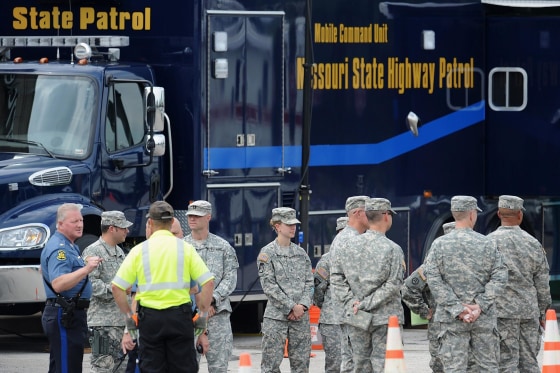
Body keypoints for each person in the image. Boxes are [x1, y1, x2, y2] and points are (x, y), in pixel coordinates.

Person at [112, 201, 215, 373]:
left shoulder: (139, 251)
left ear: (150, 223)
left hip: (150, 320)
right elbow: (208, 283)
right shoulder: (186, 249)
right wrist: (202, 316)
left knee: (152, 368)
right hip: (180, 318)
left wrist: (129, 318)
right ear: (172, 221)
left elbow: (117, 287)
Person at [425, 195, 508, 373]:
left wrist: (457, 308)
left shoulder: (439, 244)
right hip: (483, 319)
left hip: (451, 320)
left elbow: (433, 280)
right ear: (472, 214)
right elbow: (500, 277)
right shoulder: (487, 243)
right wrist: (480, 305)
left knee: (454, 368)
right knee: (487, 368)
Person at [331, 197, 405, 372]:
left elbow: (336, 277)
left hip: (357, 317)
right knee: (384, 365)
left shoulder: (346, 245)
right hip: (384, 318)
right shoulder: (393, 249)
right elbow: (393, 284)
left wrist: (353, 303)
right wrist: (366, 303)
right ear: (386, 216)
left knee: (360, 365)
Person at [487, 195, 551, 372]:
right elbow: (542, 283)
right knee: (529, 362)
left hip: (500, 311)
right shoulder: (533, 244)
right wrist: (543, 312)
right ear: (520, 215)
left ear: (499, 213)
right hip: (528, 312)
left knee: (506, 362)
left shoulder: (487, 243)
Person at [40, 203, 102, 373]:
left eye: (81, 220)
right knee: (68, 367)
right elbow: (58, 283)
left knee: (63, 365)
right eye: (74, 221)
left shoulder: (69, 246)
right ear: (60, 224)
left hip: (70, 313)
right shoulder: (60, 249)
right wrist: (87, 269)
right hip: (65, 313)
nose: (80, 224)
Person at [183, 200, 239, 372]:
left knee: (219, 367)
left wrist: (212, 300)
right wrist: (200, 306)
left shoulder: (223, 247)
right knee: (187, 367)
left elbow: (230, 278)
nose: (192, 219)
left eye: (197, 216)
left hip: (217, 316)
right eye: (190, 216)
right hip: (189, 317)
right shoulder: (182, 248)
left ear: (208, 217)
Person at [257, 207, 314, 373]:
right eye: (288, 224)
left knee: (301, 366)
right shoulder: (267, 253)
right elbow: (269, 285)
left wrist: (302, 306)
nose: (293, 227)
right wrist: (291, 306)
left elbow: (309, 283)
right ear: (277, 226)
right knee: (270, 366)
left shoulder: (301, 254)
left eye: (294, 224)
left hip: (300, 318)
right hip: (276, 318)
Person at [82, 211, 133, 373]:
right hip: (102, 324)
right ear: (112, 229)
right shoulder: (93, 251)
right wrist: (117, 289)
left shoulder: (120, 252)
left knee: (121, 368)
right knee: (103, 368)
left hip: (120, 322)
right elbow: (91, 285)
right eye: (123, 228)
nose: (127, 231)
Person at [401, 221, 455, 373]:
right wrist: (424, 311)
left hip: (443, 325)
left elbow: (407, 289)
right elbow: (408, 288)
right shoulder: (431, 265)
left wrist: (424, 311)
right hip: (444, 327)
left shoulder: (432, 265)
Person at [330, 196, 369, 373]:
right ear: (359, 213)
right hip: (352, 312)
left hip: (355, 310)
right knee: (353, 361)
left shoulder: (357, 237)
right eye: (369, 211)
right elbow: (339, 279)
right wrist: (354, 303)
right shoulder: (347, 239)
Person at [312, 216, 348, 373]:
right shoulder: (327, 260)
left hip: (354, 319)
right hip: (332, 320)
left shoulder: (361, 257)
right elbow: (318, 289)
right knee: (334, 363)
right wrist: (327, 306)